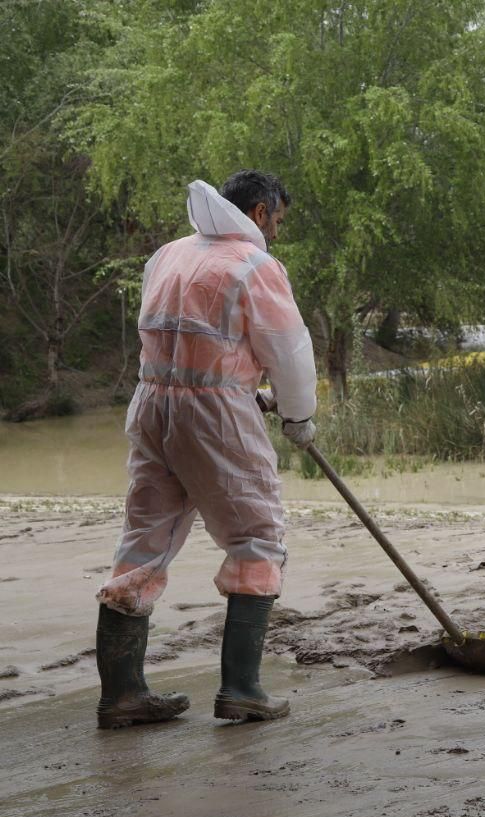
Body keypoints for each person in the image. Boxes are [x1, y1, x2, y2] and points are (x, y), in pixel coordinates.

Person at [94, 171, 318, 728]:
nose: (277, 232)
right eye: (279, 220)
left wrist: (244, 386)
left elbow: (191, 341)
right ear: (261, 212)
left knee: (143, 541)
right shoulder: (253, 266)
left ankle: (122, 695)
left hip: (151, 406)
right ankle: (242, 689)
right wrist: (298, 415)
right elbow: (288, 350)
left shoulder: (167, 255)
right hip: (214, 418)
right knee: (257, 537)